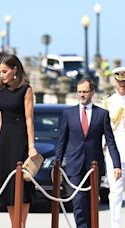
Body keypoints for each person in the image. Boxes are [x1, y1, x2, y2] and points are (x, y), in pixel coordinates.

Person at [55, 78, 122, 228]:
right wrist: (57, 164)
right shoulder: (68, 113)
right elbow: (62, 140)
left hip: (94, 166)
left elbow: (110, 141)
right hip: (75, 165)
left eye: (85, 92)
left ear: (92, 93)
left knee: (91, 203)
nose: (82, 95)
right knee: (78, 202)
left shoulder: (102, 114)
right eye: (79, 92)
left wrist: (117, 165)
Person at [0, 54, 37, 228]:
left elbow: (29, 119)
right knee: (7, 187)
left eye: (5, 71)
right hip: (4, 143)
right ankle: (14, 225)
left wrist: (31, 146)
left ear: (15, 70)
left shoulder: (26, 89)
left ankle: (21, 224)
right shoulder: (0, 90)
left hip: (20, 141)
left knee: (21, 187)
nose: (2, 75)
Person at [103, 67, 125, 228]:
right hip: (114, 153)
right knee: (116, 192)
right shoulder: (108, 102)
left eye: (124, 82)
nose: (122, 85)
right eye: (120, 82)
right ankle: (116, 225)